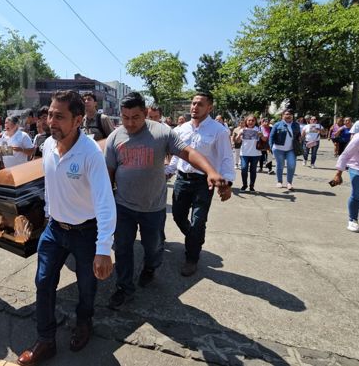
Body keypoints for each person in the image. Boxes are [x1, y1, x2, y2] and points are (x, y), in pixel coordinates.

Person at [17, 90, 116, 366]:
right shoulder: (48, 145)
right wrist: (48, 214)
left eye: (59, 116)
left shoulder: (90, 154)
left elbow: (106, 202)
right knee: (44, 281)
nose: (51, 121)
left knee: (87, 286)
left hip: (86, 232)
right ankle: (46, 341)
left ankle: (84, 322)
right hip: (54, 231)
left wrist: (104, 248)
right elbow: (50, 184)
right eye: (50, 114)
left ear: (78, 120)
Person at [105, 92, 227, 308]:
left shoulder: (162, 133)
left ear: (145, 113)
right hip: (123, 206)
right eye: (125, 118)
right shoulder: (115, 137)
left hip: (153, 207)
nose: (130, 123)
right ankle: (124, 287)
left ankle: (150, 268)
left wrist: (210, 171)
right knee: (122, 249)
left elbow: (188, 152)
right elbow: (109, 173)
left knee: (153, 247)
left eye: (135, 117)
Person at [166, 93, 234, 276]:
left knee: (198, 221)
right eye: (193, 103)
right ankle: (194, 239)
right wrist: (168, 171)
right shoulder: (181, 129)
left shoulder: (219, 131)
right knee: (178, 216)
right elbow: (176, 154)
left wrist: (227, 183)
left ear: (209, 108)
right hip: (182, 179)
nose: (195, 107)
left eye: (200, 104)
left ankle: (192, 257)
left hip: (204, 182)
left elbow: (227, 158)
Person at [269, 109, 301, 190]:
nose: (288, 116)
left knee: (291, 165)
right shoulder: (277, 125)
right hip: (278, 149)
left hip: (291, 149)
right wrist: (271, 147)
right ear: (282, 116)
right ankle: (279, 181)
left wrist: (300, 139)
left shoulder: (296, 125)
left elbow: (298, 135)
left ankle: (289, 183)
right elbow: (271, 137)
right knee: (280, 165)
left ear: (292, 116)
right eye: (286, 114)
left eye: (290, 114)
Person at [236, 115, 263, 192]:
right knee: (244, 169)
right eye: (249, 120)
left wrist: (261, 135)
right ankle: (244, 185)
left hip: (255, 154)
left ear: (255, 121)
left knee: (253, 170)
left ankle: (252, 186)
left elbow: (264, 139)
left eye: (252, 120)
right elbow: (237, 141)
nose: (251, 122)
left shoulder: (258, 129)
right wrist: (238, 136)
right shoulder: (242, 130)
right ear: (246, 121)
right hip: (244, 153)